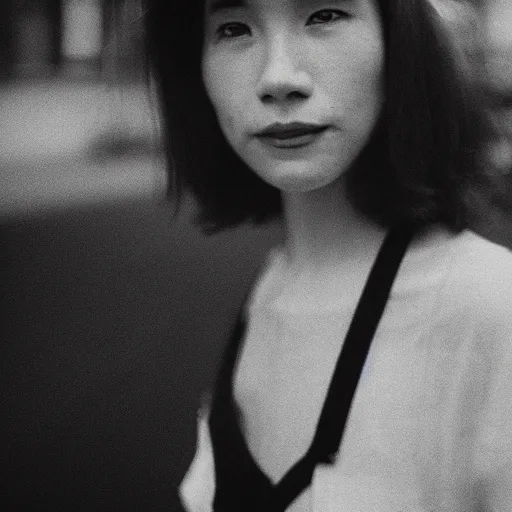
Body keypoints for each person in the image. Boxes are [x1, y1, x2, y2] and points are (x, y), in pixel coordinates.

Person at [143, 0, 512, 510]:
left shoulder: (492, 308)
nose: (277, 77)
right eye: (233, 28)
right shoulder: (271, 284)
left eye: (324, 15)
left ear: (399, 41)